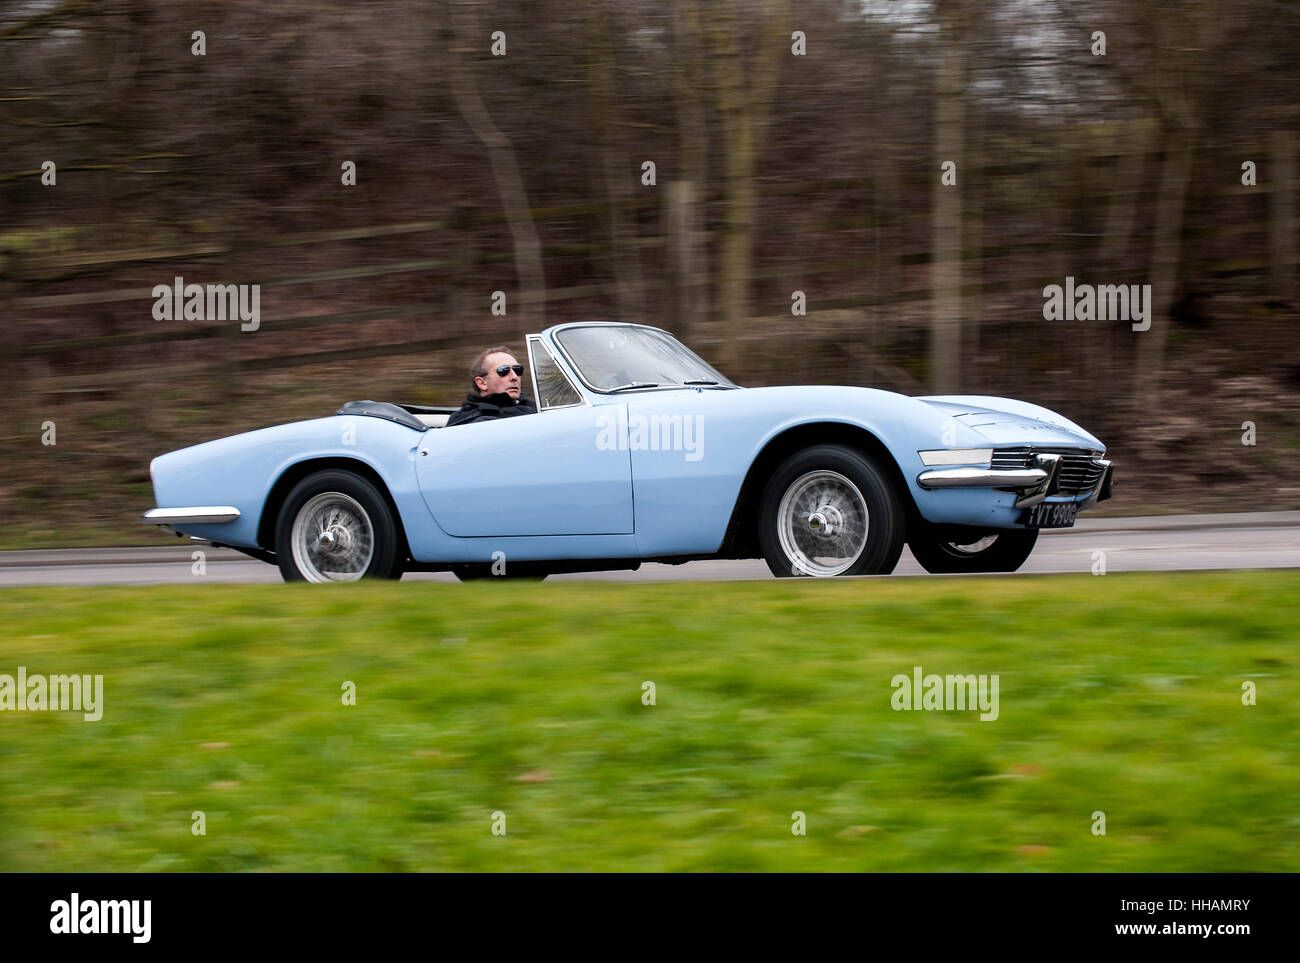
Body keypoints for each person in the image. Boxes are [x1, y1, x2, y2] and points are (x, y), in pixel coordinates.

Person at [445, 346, 539, 427]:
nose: (514, 377)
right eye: (504, 371)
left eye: (518, 370)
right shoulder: (472, 422)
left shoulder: (535, 406)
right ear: (482, 383)